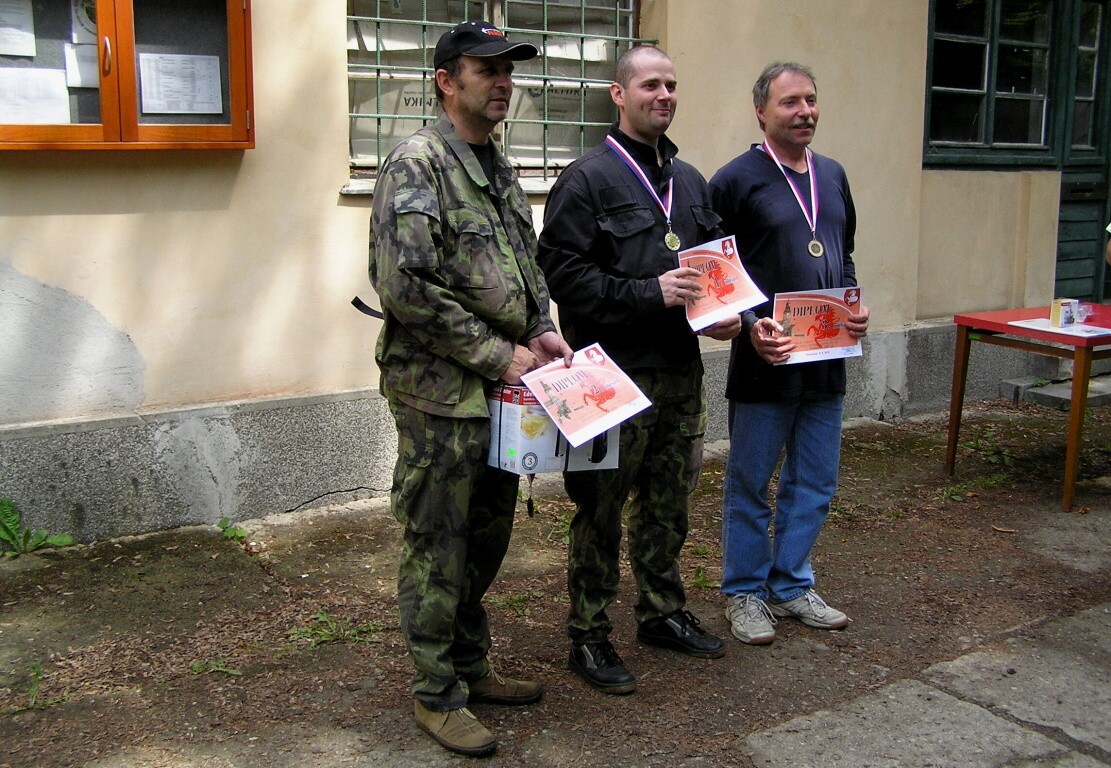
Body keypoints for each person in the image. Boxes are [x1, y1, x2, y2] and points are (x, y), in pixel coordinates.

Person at [368, 20, 572, 757]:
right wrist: (497, 354)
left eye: (508, 69)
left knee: (486, 533)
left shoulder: (497, 166)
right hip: (439, 392)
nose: (503, 80)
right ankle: (434, 694)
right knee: (437, 541)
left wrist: (542, 329)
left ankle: (467, 665)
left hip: (498, 387)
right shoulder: (416, 164)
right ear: (446, 80)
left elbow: (523, 263)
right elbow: (405, 287)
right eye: (486, 68)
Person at [537, 45, 741, 695]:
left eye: (672, 85)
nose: (664, 95)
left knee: (667, 505)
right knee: (598, 511)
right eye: (650, 84)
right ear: (618, 95)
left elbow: (712, 273)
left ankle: (660, 612)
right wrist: (645, 293)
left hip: (679, 375)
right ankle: (589, 636)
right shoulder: (586, 180)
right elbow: (564, 277)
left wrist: (726, 314)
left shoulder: (691, 180)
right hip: (609, 379)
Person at [709, 62, 870, 646]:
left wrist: (855, 305)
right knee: (751, 482)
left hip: (827, 355)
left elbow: (843, 254)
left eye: (811, 99)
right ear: (762, 112)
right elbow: (717, 274)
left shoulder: (833, 174)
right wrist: (751, 324)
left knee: (815, 481)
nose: (805, 111)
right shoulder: (735, 180)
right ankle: (745, 592)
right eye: (790, 103)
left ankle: (792, 583)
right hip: (766, 358)